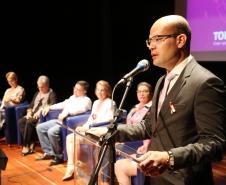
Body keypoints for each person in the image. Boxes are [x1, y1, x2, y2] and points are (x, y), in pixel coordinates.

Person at [112, 15, 226, 185]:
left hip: (185, 179)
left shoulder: (205, 82)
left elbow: (215, 144)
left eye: (157, 39)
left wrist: (169, 157)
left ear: (180, 40)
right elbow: (150, 126)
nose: (151, 46)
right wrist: (110, 132)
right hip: (155, 176)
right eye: (149, 41)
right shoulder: (162, 81)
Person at [62, 80, 116, 181]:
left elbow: (108, 121)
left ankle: (78, 168)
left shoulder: (110, 103)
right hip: (91, 131)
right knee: (70, 137)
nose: (99, 92)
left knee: (76, 139)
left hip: (101, 134)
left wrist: (88, 127)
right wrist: (83, 126)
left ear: (107, 91)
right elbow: (91, 119)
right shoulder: (96, 102)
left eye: (102, 90)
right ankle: (71, 166)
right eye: (98, 90)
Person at [36, 80, 92, 167]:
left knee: (52, 132)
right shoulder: (72, 97)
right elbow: (62, 104)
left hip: (69, 123)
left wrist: (67, 113)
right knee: (40, 127)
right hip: (61, 120)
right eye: (75, 88)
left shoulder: (86, 100)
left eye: (78, 89)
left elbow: (81, 110)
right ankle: (49, 152)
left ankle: (59, 157)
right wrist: (49, 107)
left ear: (84, 91)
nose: (75, 90)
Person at [114, 82, 153, 185]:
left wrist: (146, 145)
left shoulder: (151, 108)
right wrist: (120, 140)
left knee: (119, 164)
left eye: (145, 91)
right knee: (106, 148)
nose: (142, 94)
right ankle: (104, 180)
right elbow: (128, 125)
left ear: (150, 93)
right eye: (139, 91)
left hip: (141, 144)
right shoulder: (135, 107)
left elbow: (149, 130)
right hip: (130, 141)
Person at [19, 75, 57, 156]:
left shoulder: (52, 94)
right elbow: (31, 105)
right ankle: (32, 142)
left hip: (41, 117)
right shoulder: (37, 93)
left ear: (47, 85)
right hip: (32, 114)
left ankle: (26, 145)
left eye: (42, 87)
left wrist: (41, 110)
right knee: (21, 121)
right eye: (39, 87)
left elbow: (52, 105)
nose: (40, 89)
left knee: (29, 122)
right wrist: (29, 112)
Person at [0, 72, 25, 136]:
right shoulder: (7, 90)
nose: (10, 83)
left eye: (11, 81)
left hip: (13, 108)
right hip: (4, 106)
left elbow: (18, 101)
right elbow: (4, 100)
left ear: (16, 79)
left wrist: (11, 99)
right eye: (8, 81)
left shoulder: (20, 89)